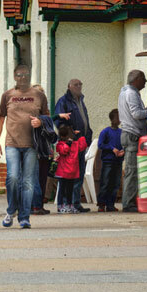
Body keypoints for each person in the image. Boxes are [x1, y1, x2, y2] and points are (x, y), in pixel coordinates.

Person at [0, 64, 47, 229]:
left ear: (30, 76)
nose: (23, 77)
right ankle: (11, 210)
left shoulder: (38, 95)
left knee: (28, 182)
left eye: (26, 75)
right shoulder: (8, 95)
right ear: (15, 76)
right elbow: (0, 117)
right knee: (13, 178)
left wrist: (41, 122)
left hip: (32, 144)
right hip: (12, 144)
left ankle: (24, 217)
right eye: (19, 75)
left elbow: (47, 116)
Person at [117, 69, 147, 213]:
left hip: (129, 134)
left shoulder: (125, 92)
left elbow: (133, 112)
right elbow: (136, 114)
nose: (146, 82)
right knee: (132, 170)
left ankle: (130, 201)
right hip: (132, 135)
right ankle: (128, 204)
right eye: (144, 79)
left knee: (131, 170)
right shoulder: (132, 93)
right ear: (137, 79)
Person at [54, 78, 92, 211]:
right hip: (71, 145)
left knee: (79, 174)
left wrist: (88, 137)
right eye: (76, 85)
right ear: (69, 86)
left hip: (80, 143)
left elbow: (85, 121)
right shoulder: (63, 101)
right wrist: (70, 134)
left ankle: (75, 203)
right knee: (69, 176)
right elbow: (59, 122)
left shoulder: (80, 101)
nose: (79, 86)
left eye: (80, 84)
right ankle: (66, 203)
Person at [53, 124, 88, 214]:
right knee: (62, 189)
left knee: (69, 190)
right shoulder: (60, 144)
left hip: (72, 172)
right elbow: (63, 151)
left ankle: (69, 205)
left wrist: (80, 137)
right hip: (63, 172)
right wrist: (68, 143)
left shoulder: (75, 144)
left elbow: (82, 146)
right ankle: (60, 206)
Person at [96, 108, 125, 212]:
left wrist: (123, 151)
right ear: (112, 119)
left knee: (116, 183)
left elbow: (124, 144)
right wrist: (112, 149)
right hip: (108, 161)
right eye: (117, 118)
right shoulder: (106, 132)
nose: (119, 120)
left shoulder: (122, 132)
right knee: (105, 182)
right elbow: (100, 144)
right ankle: (101, 204)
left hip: (118, 161)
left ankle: (110, 204)